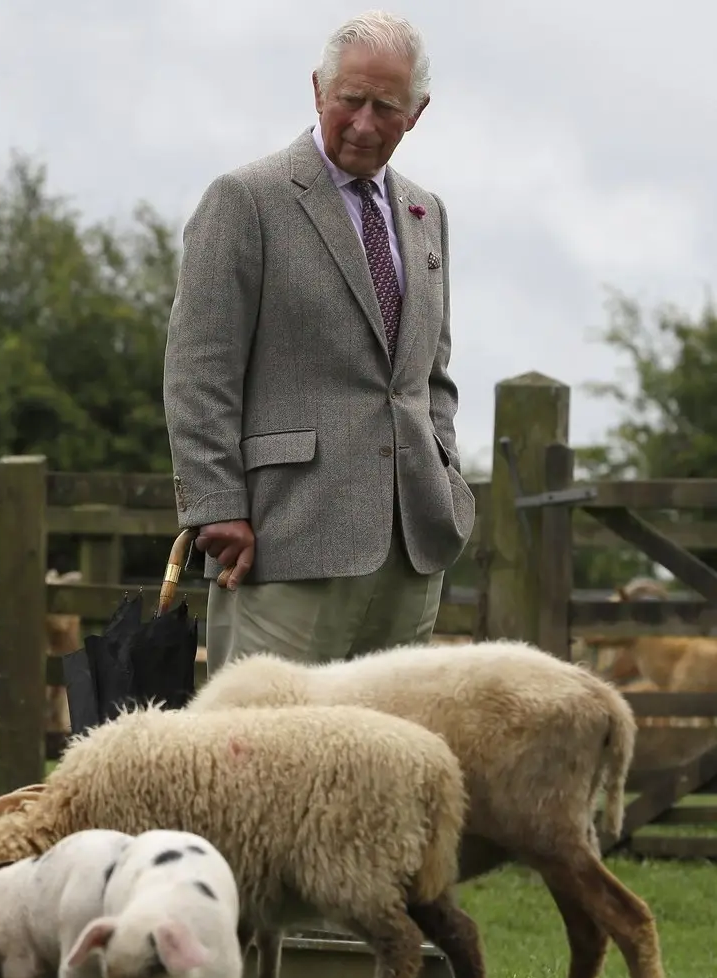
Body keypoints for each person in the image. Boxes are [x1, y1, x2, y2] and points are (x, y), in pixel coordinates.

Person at [162, 10, 475, 672]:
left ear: (416, 112)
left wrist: (442, 472)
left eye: (385, 108)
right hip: (284, 539)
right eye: (350, 101)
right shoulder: (245, 199)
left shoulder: (428, 214)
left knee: (385, 762)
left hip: (411, 546)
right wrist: (216, 505)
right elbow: (198, 370)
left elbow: (429, 375)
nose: (364, 124)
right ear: (317, 91)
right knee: (262, 759)